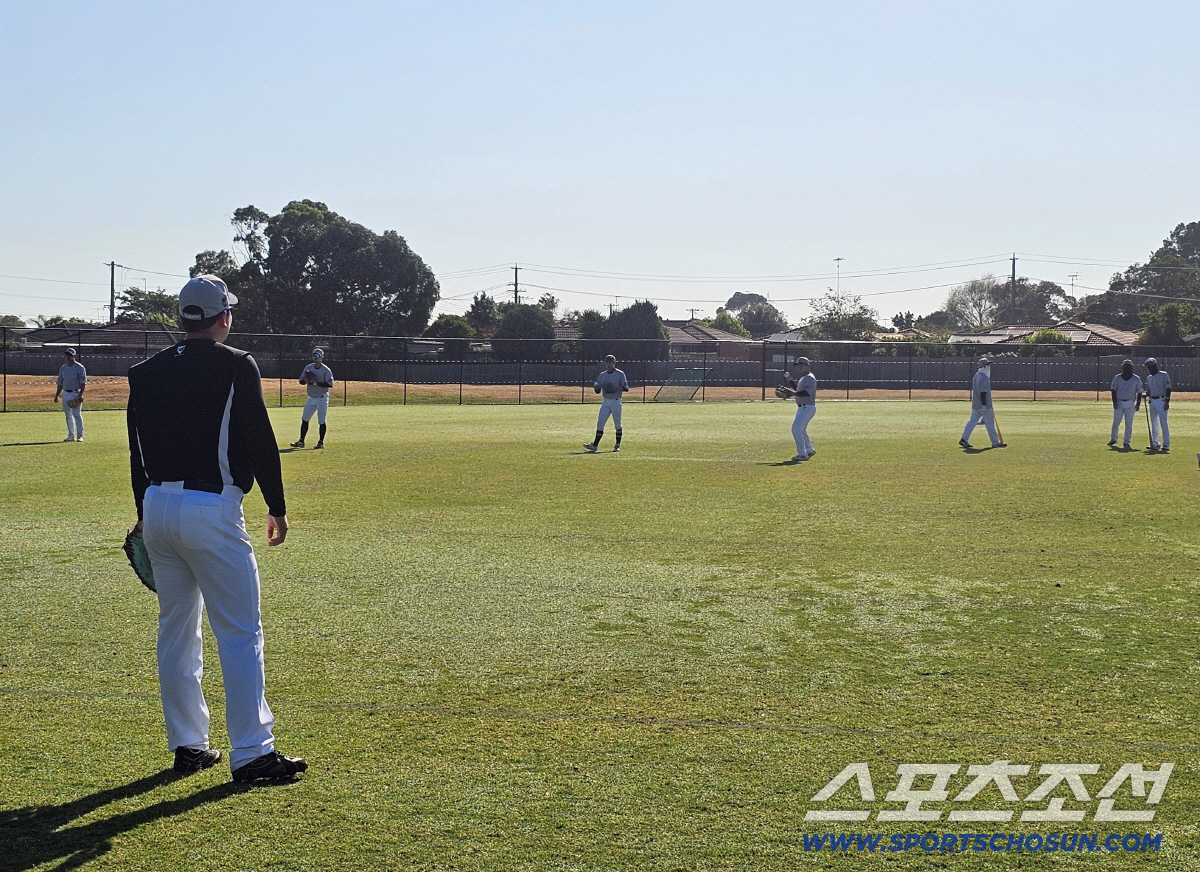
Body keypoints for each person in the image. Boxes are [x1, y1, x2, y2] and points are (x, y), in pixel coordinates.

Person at [126, 274, 307, 783]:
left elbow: (136, 453)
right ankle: (252, 753)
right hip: (212, 508)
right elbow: (259, 438)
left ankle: (189, 746)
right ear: (223, 316)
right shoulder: (236, 363)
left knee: (176, 631)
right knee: (240, 632)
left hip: (158, 506)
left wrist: (144, 512)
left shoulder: (144, 371)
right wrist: (277, 505)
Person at [290, 348, 334, 449]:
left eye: (317, 356)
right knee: (305, 419)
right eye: (314, 356)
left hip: (322, 397)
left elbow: (330, 384)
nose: (315, 358)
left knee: (321, 420)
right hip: (311, 398)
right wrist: (306, 380)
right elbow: (301, 381)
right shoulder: (309, 367)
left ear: (322, 357)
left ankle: (320, 442)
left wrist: (316, 383)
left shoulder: (326, 370)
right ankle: (301, 441)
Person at [584, 354, 629, 452]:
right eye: (607, 362)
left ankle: (617, 445)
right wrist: (596, 386)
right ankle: (595, 445)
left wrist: (615, 388)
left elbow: (626, 388)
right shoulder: (602, 375)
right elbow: (597, 388)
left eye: (611, 362)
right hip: (606, 402)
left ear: (614, 363)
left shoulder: (620, 374)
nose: (609, 364)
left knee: (617, 424)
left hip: (616, 401)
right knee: (600, 423)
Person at [960, 357, 1006, 450]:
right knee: (990, 424)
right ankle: (995, 442)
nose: (989, 367)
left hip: (976, 405)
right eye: (987, 365)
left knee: (972, 422)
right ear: (984, 366)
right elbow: (983, 392)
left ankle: (964, 438)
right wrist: (984, 405)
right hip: (984, 405)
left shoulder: (976, 376)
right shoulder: (984, 377)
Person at [784, 356, 818, 461]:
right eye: (798, 365)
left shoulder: (810, 378)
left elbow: (806, 393)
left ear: (807, 366)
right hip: (803, 408)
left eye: (801, 365)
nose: (799, 367)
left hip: (807, 407)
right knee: (801, 430)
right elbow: (798, 390)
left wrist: (792, 393)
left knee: (796, 429)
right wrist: (790, 381)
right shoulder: (804, 378)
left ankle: (802, 454)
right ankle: (809, 450)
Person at [53, 347, 87, 442]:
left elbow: (83, 383)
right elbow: (60, 383)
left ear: (74, 356)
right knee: (68, 415)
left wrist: (80, 394)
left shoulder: (80, 367)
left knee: (77, 414)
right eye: (67, 355)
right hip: (66, 393)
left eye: (70, 355)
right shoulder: (63, 368)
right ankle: (71, 435)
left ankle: (80, 436)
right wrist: (56, 396)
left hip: (76, 393)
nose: (68, 357)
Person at [1109, 359, 1143, 449]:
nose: (1127, 368)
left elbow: (1139, 392)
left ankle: (1126, 442)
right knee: (1116, 422)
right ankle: (1113, 439)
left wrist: (1138, 404)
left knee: (1129, 424)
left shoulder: (1136, 378)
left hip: (1130, 403)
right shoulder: (1117, 378)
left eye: (1128, 367)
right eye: (1125, 367)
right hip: (1119, 402)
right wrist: (1114, 402)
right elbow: (1113, 390)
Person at [1143, 357, 1171, 452]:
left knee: (1163, 423)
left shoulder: (1163, 375)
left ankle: (1166, 444)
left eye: (1151, 366)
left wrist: (1167, 401)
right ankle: (1155, 442)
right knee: (1154, 423)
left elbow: (1168, 388)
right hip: (1152, 401)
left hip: (1162, 400)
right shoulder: (1149, 378)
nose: (1150, 368)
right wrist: (1145, 395)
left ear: (1155, 365)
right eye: (1148, 367)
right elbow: (1148, 391)